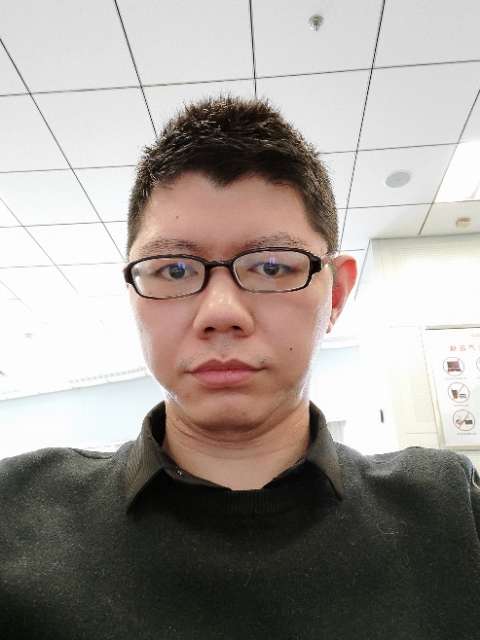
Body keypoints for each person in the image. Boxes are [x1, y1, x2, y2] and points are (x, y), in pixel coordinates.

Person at [1, 95, 479, 639]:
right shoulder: (16, 515)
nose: (221, 313)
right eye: (174, 269)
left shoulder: (449, 516)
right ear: (134, 293)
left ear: (335, 295)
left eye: (272, 266)